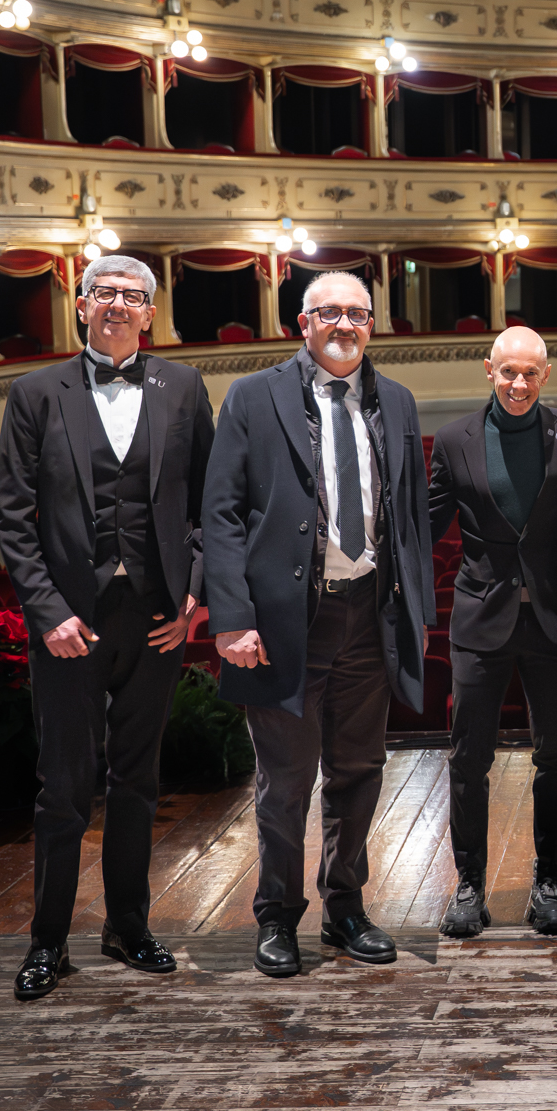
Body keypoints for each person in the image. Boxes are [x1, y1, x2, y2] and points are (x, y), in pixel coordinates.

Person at [203, 271, 435, 979]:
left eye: (357, 313)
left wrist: (416, 612)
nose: (344, 324)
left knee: (359, 771)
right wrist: (232, 618)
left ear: (372, 324)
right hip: (285, 621)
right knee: (285, 781)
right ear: (301, 324)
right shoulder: (253, 395)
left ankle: (346, 908)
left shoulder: (396, 400)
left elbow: (411, 517)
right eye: (328, 312)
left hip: (368, 612)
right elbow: (221, 513)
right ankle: (276, 915)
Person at [0, 255, 212, 1001]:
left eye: (133, 295)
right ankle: (48, 941)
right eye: (105, 293)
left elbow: (210, 505)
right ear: (82, 305)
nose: (118, 304)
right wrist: (47, 611)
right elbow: (13, 516)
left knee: (138, 780)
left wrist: (194, 596)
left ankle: (128, 925)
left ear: (150, 313)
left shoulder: (184, 386)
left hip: (155, 617)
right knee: (63, 786)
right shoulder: (34, 392)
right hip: (70, 621)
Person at [427, 327, 557, 938]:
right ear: (488, 370)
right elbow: (426, 523)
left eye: (530, 374)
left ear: (545, 375)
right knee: (469, 760)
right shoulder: (454, 439)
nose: (518, 384)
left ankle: (548, 883)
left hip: (553, 619)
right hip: (480, 618)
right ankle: (469, 885)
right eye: (508, 372)